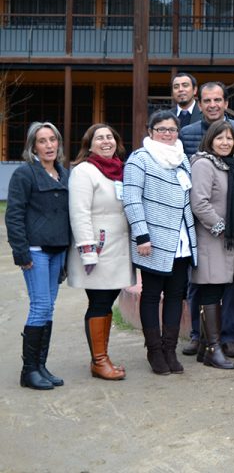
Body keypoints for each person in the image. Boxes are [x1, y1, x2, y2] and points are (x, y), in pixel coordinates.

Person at [179, 81, 234, 359]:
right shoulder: (187, 134)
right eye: (207, 100)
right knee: (200, 283)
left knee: (231, 282)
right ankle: (200, 337)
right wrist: (219, 224)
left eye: (218, 100)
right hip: (207, 228)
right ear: (199, 104)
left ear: (225, 103)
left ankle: (229, 337)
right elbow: (194, 191)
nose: (212, 105)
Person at [123, 111, 198, 376]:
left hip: (181, 241)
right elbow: (131, 198)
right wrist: (141, 235)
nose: (167, 134)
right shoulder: (139, 159)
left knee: (177, 295)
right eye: (161, 129)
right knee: (152, 295)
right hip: (153, 240)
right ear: (151, 131)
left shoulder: (182, 160)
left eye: (172, 129)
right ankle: (154, 350)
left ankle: (169, 349)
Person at [67, 124, 134, 381]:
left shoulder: (120, 169)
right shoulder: (85, 171)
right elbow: (79, 213)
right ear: (89, 145)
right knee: (99, 302)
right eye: (99, 138)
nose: (106, 142)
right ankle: (99, 361)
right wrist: (87, 251)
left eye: (110, 137)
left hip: (118, 248)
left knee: (107, 301)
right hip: (97, 249)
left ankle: (102, 357)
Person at [6, 122, 70, 390]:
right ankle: (28, 370)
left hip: (58, 251)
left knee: (49, 308)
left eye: (52, 140)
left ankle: (41, 365)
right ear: (33, 146)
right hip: (35, 251)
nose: (49, 145)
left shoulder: (64, 174)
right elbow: (14, 215)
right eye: (42, 141)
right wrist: (20, 252)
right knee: (40, 306)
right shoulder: (25, 174)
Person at [189, 119, 234, 370]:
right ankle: (213, 349)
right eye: (220, 138)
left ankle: (204, 348)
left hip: (224, 240)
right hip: (210, 238)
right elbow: (199, 202)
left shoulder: (227, 166)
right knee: (210, 290)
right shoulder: (204, 164)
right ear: (210, 140)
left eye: (229, 138)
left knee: (216, 290)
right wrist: (221, 227)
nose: (225, 142)